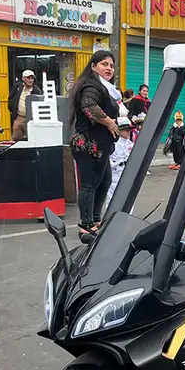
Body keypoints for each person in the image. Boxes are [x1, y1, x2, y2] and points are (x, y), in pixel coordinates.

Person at [68, 50, 120, 235]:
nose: (109, 68)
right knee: (90, 184)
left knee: (104, 182)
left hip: (99, 146)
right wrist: (109, 122)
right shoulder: (92, 85)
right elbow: (89, 106)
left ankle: (96, 219)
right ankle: (86, 224)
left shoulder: (103, 87)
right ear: (93, 66)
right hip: (89, 145)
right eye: (104, 64)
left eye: (112, 66)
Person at [9, 69, 42, 140]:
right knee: (15, 139)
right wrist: (13, 110)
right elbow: (10, 98)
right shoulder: (17, 87)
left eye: (32, 78)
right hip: (19, 117)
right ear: (23, 78)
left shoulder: (37, 90)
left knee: (32, 139)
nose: (30, 80)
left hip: (32, 119)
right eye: (28, 78)